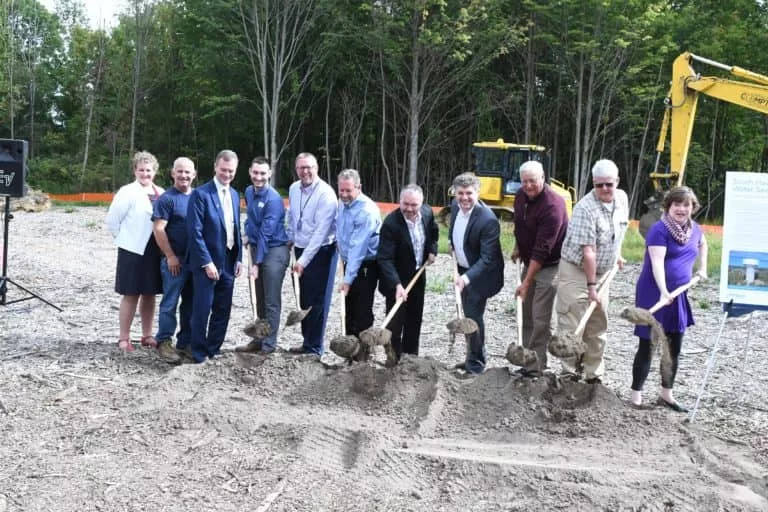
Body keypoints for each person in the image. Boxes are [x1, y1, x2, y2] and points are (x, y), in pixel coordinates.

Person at [630, 186, 708, 411]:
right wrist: (663, 291)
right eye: (677, 204)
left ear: (693, 208)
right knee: (649, 344)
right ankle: (636, 397)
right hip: (654, 292)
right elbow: (656, 263)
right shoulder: (658, 230)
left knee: (674, 346)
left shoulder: (695, 230)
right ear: (668, 206)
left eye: (687, 205)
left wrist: (702, 268)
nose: (682, 209)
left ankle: (667, 394)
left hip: (679, 294)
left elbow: (703, 244)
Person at [555, 159, 629, 384]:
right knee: (573, 320)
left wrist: (617, 255)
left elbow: (618, 232)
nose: (604, 189)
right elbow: (588, 253)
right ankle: (569, 372)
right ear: (593, 184)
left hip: (603, 271)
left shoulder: (622, 199)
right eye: (599, 185)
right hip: (577, 271)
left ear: (617, 181)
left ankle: (593, 374)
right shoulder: (585, 209)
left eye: (609, 184)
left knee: (598, 321)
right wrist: (591, 287)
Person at [512, 160, 569, 377]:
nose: (528, 185)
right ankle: (527, 359)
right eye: (524, 181)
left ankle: (537, 366)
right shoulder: (520, 196)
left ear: (543, 178)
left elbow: (542, 250)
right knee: (525, 313)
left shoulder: (553, 205)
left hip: (550, 266)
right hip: (530, 262)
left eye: (532, 181)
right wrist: (518, 246)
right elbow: (520, 223)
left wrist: (526, 282)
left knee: (540, 317)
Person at [186, 150, 243, 363]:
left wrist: (239, 259)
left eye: (231, 171)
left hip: (228, 260)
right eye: (223, 169)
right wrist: (206, 262)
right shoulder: (201, 195)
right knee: (202, 308)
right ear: (215, 167)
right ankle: (198, 352)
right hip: (207, 263)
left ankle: (214, 348)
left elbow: (236, 229)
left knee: (223, 308)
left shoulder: (235, 194)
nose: (227, 174)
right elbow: (195, 233)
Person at [105, 151, 165, 352]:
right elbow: (112, 221)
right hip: (132, 250)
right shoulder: (127, 192)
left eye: (148, 170)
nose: (145, 173)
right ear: (135, 171)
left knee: (150, 294)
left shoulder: (162, 193)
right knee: (131, 294)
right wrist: (125, 240)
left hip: (155, 250)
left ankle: (147, 335)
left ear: (154, 172)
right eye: (141, 170)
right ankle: (124, 338)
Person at [449, 173, 505, 375]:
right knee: (466, 313)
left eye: (469, 193)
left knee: (473, 315)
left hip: (482, 275)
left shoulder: (487, 220)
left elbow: (487, 259)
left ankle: (477, 364)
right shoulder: (455, 207)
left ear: (478, 193)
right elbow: (454, 230)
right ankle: (471, 357)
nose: (464, 198)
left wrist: (465, 278)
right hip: (464, 269)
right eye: (460, 193)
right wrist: (451, 244)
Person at [377, 184, 439, 361]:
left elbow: (434, 232)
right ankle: (394, 358)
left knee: (414, 319)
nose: (409, 209)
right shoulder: (391, 224)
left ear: (422, 203)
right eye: (405, 204)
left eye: (414, 205)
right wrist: (397, 284)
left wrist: (432, 250)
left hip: (417, 276)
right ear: (399, 201)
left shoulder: (426, 214)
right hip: (396, 277)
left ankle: (411, 359)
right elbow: (384, 259)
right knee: (395, 322)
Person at [235, 157, 290, 355]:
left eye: (263, 173)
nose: (258, 177)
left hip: (274, 249)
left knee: (271, 300)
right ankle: (259, 339)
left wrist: (257, 263)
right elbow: (251, 219)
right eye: (255, 173)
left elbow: (267, 232)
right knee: (259, 297)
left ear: (269, 174)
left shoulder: (273, 199)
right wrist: (247, 235)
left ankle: (269, 344)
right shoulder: (249, 192)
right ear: (250, 171)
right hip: (257, 246)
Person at [286, 152, 337, 355]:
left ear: (316, 168)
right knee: (304, 299)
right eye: (301, 167)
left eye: (309, 167)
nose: (305, 171)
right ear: (296, 169)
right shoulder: (293, 189)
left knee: (318, 301)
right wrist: (290, 239)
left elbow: (321, 232)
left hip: (321, 251)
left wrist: (303, 261)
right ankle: (307, 342)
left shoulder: (326, 194)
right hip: (300, 247)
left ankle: (315, 347)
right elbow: (291, 216)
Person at [152, 157, 197, 364]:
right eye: (180, 172)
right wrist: (170, 256)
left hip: (194, 262)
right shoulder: (166, 199)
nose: (184, 176)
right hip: (174, 262)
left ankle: (185, 342)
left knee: (190, 304)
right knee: (169, 303)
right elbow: (159, 229)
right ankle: (164, 342)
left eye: (188, 172)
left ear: (194, 175)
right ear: (173, 173)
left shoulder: (197, 197)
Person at [336, 169, 381, 337]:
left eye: (349, 190)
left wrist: (347, 280)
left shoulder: (366, 211)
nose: (345, 194)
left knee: (361, 310)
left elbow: (358, 248)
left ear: (359, 187)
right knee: (348, 307)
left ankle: (363, 353)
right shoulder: (342, 204)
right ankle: (350, 351)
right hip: (349, 262)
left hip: (366, 265)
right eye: (341, 190)